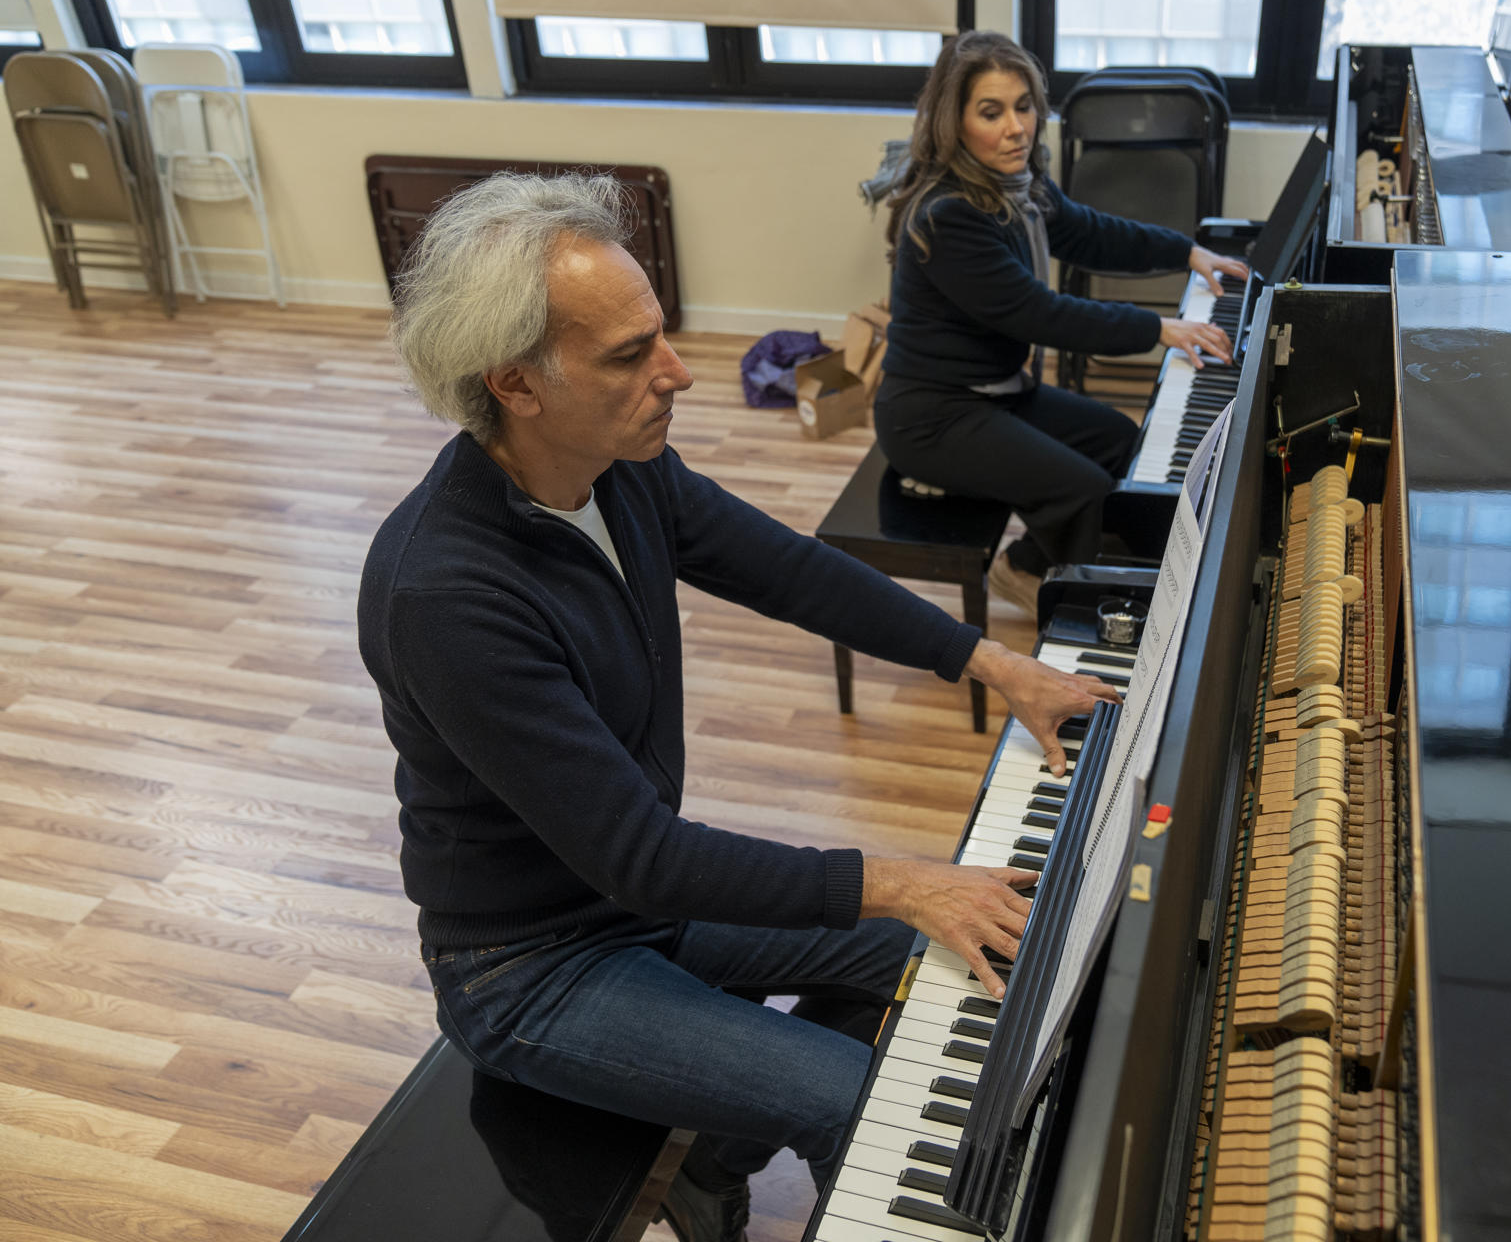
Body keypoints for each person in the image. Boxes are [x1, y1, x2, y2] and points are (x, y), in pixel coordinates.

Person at [357, 172, 1120, 1242]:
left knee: (947, 956)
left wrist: (997, 662)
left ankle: (713, 1162)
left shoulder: (618, 470)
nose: (678, 373)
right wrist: (901, 879)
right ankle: (747, 1159)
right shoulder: (444, 591)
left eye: (659, 334)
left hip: (627, 904)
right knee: (856, 1092)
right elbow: (644, 855)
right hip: (531, 964)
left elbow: (794, 572)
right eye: (630, 356)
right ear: (516, 384)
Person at [875, 31, 1249, 616]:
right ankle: (1059, 596)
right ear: (955, 122)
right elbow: (1039, 313)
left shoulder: (1016, 182)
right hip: (932, 416)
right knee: (1082, 489)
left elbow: (1087, 231)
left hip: (995, 395)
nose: (1016, 127)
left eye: (1023, 107)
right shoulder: (950, 215)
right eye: (991, 112)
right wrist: (1158, 330)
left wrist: (1186, 251)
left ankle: (1090, 569)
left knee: (1123, 442)